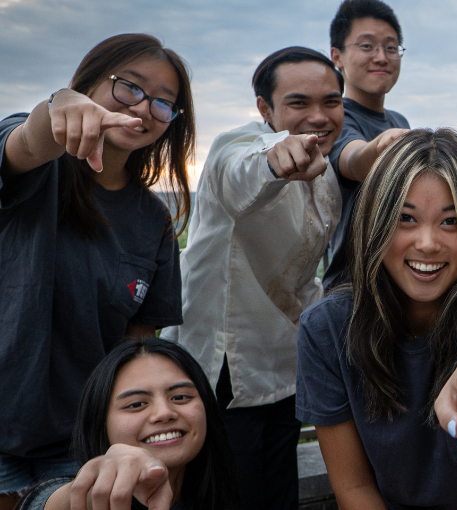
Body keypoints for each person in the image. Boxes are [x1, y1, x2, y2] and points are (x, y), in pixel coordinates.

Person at [295, 129, 457, 509]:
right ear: (374, 221)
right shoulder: (326, 328)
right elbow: (354, 487)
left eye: (451, 221)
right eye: (405, 218)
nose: (428, 243)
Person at [0, 34, 192, 510]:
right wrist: (56, 106)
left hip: (79, 443)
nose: (143, 107)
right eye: (130, 87)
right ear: (88, 85)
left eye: (164, 102)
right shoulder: (39, 168)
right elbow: (26, 143)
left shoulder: (153, 220)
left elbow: (136, 348)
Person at [162, 46, 344, 510]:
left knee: (280, 490)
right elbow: (242, 173)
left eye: (331, 102)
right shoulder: (238, 146)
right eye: (299, 103)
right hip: (227, 366)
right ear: (265, 108)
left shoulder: (326, 171)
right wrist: (276, 160)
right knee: (231, 494)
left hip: (288, 358)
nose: (319, 116)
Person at [17, 338, 237, 510]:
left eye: (180, 397)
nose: (164, 413)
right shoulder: (88, 490)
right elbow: (39, 503)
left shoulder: (229, 489)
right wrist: (87, 493)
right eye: (137, 404)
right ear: (100, 422)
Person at [323, 0, 411, 291]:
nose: (381, 57)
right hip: (352, 289)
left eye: (391, 47)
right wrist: (381, 148)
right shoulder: (334, 119)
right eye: (367, 46)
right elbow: (354, 160)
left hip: (400, 286)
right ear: (337, 56)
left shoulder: (399, 121)